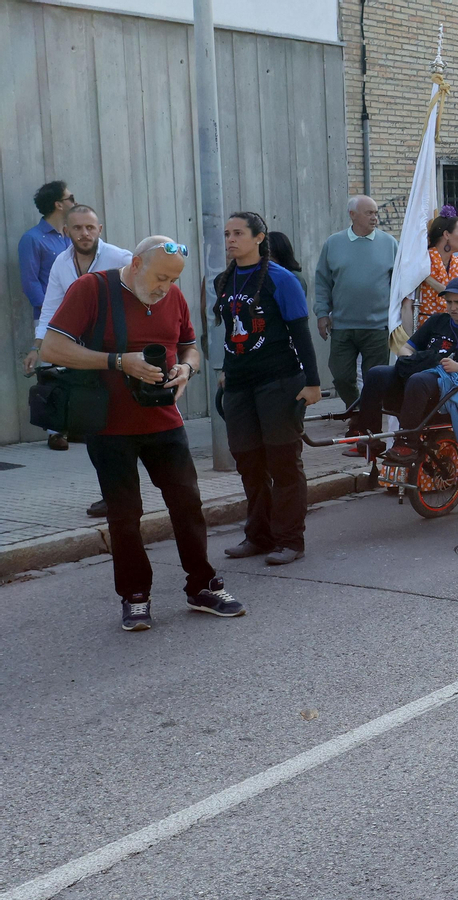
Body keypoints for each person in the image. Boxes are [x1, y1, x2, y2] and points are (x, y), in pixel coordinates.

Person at [40, 236, 243, 630]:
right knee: (124, 513)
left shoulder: (174, 296)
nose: (165, 288)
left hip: (164, 419)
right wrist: (119, 362)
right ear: (135, 264)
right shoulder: (93, 289)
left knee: (187, 503)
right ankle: (135, 595)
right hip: (109, 424)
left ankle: (202, 586)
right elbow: (52, 348)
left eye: (173, 280)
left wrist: (186, 369)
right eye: (160, 278)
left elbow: (190, 347)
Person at [214, 212, 322, 565]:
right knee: (249, 462)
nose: (230, 240)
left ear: (259, 238)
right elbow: (230, 331)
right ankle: (258, 536)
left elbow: (301, 333)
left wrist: (313, 383)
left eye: (238, 233)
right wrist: (226, 370)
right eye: (227, 234)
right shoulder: (223, 280)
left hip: (279, 381)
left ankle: (290, 540)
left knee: (283, 463)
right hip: (239, 384)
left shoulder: (282, 279)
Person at [350, 278, 458, 462]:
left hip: (455, 384)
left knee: (418, 379)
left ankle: (407, 442)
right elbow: (406, 348)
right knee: (376, 373)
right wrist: (412, 360)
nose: (452, 307)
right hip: (424, 375)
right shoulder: (438, 320)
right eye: (449, 302)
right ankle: (370, 435)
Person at [30, 205, 133, 455]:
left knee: (117, 403)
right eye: (77, 228)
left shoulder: (120, 258)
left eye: (89, 227)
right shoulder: (61, 262)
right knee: (83, 403)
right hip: (79, 345)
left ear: (100, 229)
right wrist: (38, 346)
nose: (84, 233)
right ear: (66, 231)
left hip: (116, 341)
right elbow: (51, 308)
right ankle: (60, 432)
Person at [315, 195, 398, 429]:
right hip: (342, 325)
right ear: (352, 215)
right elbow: (322, 282)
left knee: (374, 380)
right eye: (369, 213)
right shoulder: (333, 243)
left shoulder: (390, 243)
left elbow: (399, 283)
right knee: (341, 376)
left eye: (375, 212)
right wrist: (322, 313)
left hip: (378, 326)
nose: (375, 217)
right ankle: (358, 411)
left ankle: (369, 428)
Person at [18, 180, 74, 327]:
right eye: (71, 198)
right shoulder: (32, 239)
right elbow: (30, 282)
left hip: (78, 313)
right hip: (50, 317)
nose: (75, 203)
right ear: (59, 204)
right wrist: (50, 311)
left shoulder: (72, 235)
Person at [416, 215, 458, 321]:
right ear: (446, 234)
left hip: (455, 323)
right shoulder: (423, 260)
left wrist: (427, 278)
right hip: (426, 324)